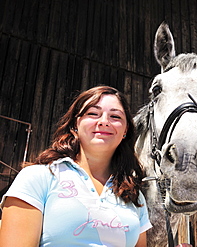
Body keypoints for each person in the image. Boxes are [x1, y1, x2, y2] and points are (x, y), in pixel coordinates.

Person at [0, 85, 152, 246]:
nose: (104, 122)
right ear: (75, 125)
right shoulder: (38, 177)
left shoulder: (133, 195)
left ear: (125, 130)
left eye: (115, 116)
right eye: (93, 113)